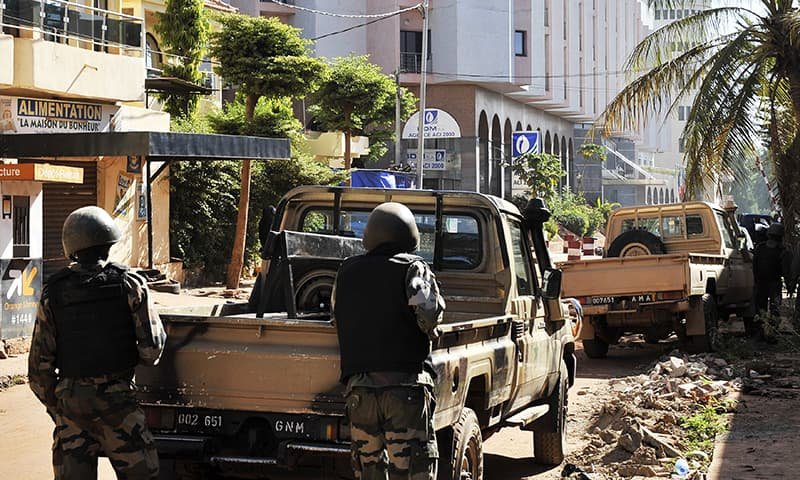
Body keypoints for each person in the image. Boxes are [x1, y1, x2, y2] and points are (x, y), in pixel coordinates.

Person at [28, 206, 167, 479]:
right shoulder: (130, 284)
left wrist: (62, 409)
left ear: (71, 246)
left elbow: (38, 370)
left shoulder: (53, 292)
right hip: (120, 406)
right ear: (108, 244)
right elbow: (151, 350)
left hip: (72, 407)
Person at [332, 202, 446, 480]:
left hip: (359, 392)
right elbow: (429, 316)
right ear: (409, 236)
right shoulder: (413, 268)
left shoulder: (346, 271)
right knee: (412, 471)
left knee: (369, 472)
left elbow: (337, 317)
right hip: (404, 389)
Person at [751, 222, 790, 336]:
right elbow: (785, 271)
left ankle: (760, 332)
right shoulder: (782, 251)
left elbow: (754, 266)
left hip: (761, 283)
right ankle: (772, 333)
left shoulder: (760, 248)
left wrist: (756, 282)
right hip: (774, 283)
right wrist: (789, 285)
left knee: (760, 308)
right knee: (775, 308)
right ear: (780, 236)